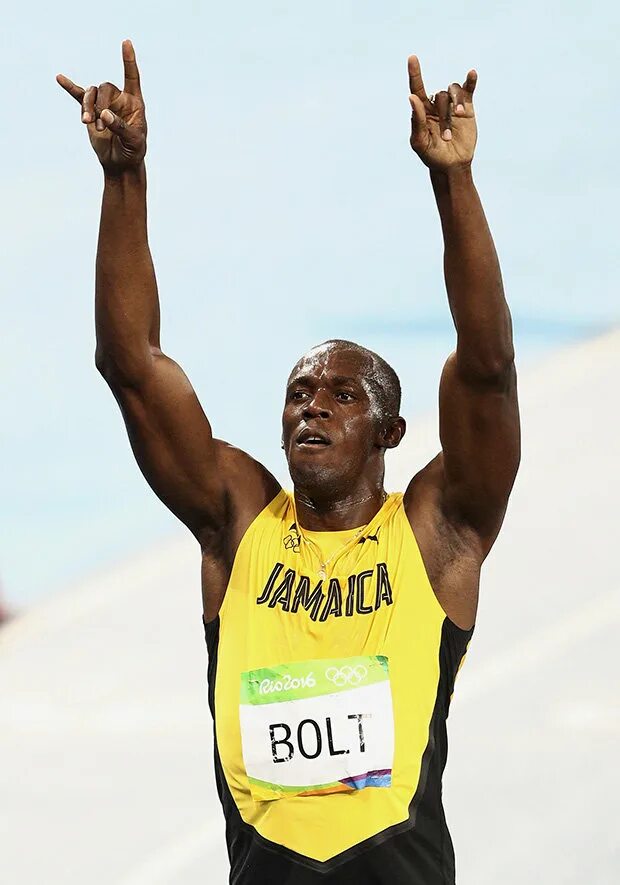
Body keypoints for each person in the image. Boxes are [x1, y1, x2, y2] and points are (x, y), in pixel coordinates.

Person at [57, 41, 520, 885]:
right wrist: (125, 178)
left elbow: (487, 370)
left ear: (389, 432)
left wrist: (453, 182)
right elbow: (132, 367)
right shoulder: (238, 523)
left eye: (343, 395)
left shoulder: (435, 534)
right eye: (300, 392)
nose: (313, 405)